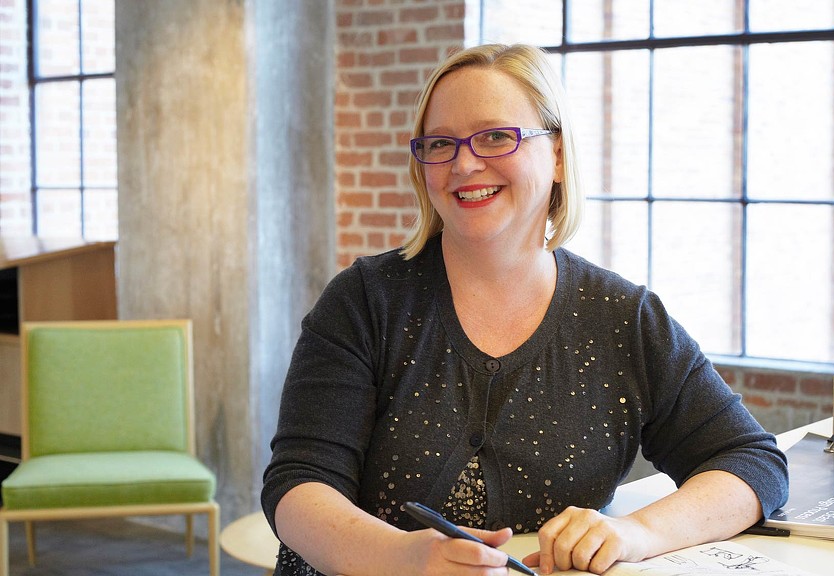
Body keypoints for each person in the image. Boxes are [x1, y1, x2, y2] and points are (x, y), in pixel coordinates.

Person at [262, 43, 788, 576]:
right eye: (440, 143)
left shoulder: (623, 319)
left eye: (496, 136)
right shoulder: (364, 301)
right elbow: (299, 486)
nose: (465, 163)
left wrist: (635, 533)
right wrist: (402, 559)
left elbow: (752, 463)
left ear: (557, 153)